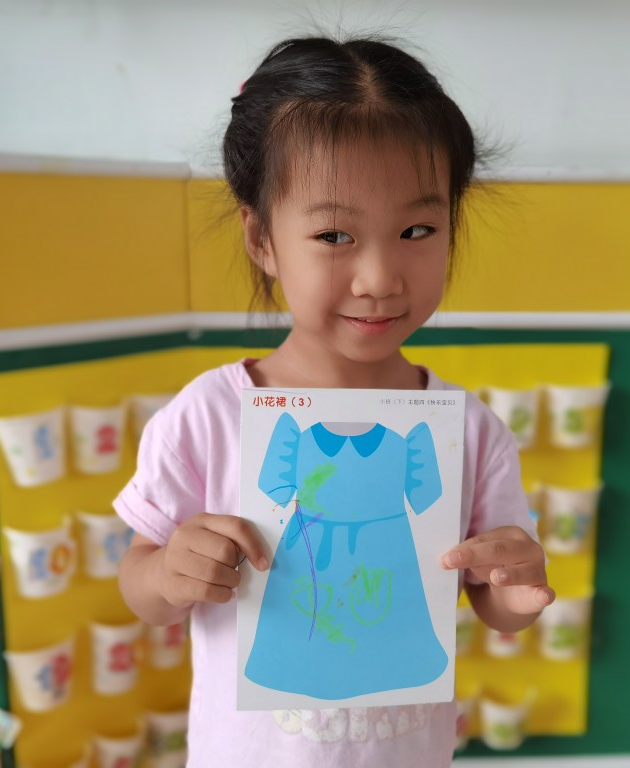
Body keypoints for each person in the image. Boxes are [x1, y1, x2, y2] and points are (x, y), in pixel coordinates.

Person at [115, 34, 554, 768]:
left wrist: (519, 587)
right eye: (334, 234)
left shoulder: (467, 430)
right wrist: (167, 573)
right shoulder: (211, 415)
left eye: (418, 229)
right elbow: (141, 587)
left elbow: (495, 603)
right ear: (262, 239)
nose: (379, 277)